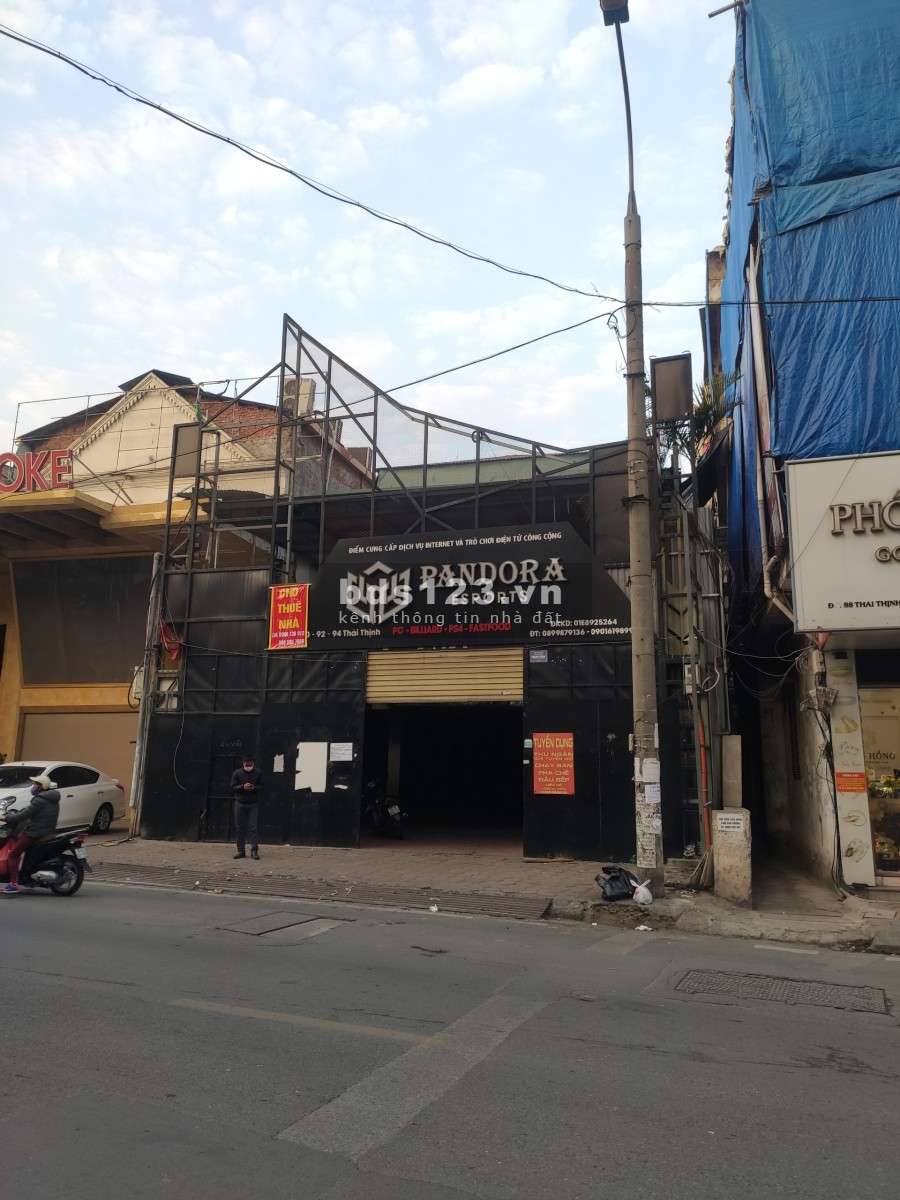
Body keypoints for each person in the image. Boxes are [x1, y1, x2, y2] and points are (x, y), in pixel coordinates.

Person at [2, 773, 61, 895]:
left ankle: (13, 884)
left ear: (41, 786)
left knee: (13, 855)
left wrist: (6, 818)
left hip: (34, 832)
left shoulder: (39, 800)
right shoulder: (53, 799)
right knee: (28, 852)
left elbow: (22, 816)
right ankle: (29, 877)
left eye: (35, 784)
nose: (33, 787)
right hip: (49, 831)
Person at [231, 754, 263, 860]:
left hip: (253, 804)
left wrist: (254, 788)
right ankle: (241, 851)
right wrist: (242, 787)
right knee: (240, 828)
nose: (248, 766)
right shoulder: (237, 773)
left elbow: (262, 786)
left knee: (252, 828)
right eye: (246, 765)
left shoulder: (258, 772)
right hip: (239, 803)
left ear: (253, 763)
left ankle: (254, 851)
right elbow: (233, 787)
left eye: (250, 765)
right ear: (243, 763)